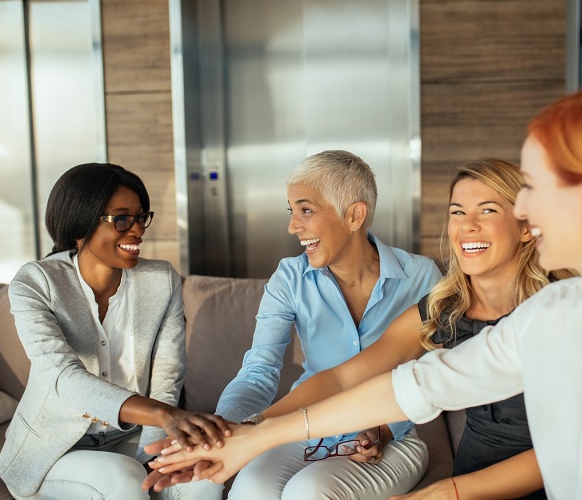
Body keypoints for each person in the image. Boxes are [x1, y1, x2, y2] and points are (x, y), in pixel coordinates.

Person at [146, 87, 582, 499]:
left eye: (533, 187)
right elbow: (420, 384)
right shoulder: (557, 313)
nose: (521, 209)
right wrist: (249, 439)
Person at [146, 158, 571, 499]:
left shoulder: (559, 314)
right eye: (458, 212)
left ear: (527, 227)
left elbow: (565, 450)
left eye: (488, 210)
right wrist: (246, 432)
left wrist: (445, 488)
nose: (467, 226)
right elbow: (347, 377)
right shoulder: (445, 309)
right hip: (470, 469)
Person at [171, 150, 442, 500]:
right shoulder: (289, 277)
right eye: (292, 211)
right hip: (303, 426)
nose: (292, 226)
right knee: (250, 488)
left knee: (308, 491)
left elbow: (435, 373)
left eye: (306, 210)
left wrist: (386, 429)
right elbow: (259, 371)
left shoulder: (422, 278)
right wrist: (229, 430)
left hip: (393, 436)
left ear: (354, 215)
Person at [0, 163, 230, 500]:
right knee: (122, 478)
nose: (136, 230)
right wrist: (166, 416)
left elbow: (167, 376)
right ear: (81, 222)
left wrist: (156, 450)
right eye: (121, 219)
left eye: (139, 217)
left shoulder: (160, 280)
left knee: (204, 478)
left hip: (133, 438)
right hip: (57, 448)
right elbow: (63, 378)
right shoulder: (36, 282)